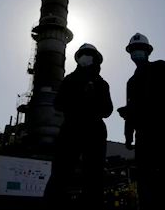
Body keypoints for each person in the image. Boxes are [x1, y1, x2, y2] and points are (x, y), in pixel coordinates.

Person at [117, 33, 165, 210]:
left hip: (164, 130)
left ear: (148, 51)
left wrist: (139, 104)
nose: (136, 53)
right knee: (146, 179)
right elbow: (130, 108)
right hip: (143, 135)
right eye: (133, 50)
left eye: (140, 49)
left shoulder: (161, 66)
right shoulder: (131, 82)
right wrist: (128, 135)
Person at [44, 43, 113, 209]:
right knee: (60, 173)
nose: (85, 57)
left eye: (89, 54)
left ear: (96, 59)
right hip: (72, 129)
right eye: (83, 54)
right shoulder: (70, 80)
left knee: (94, 175)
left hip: (94, 131)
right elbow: (58, 103)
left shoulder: (102, 84)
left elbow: (107, 110)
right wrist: (78, 98)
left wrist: (92, 99)